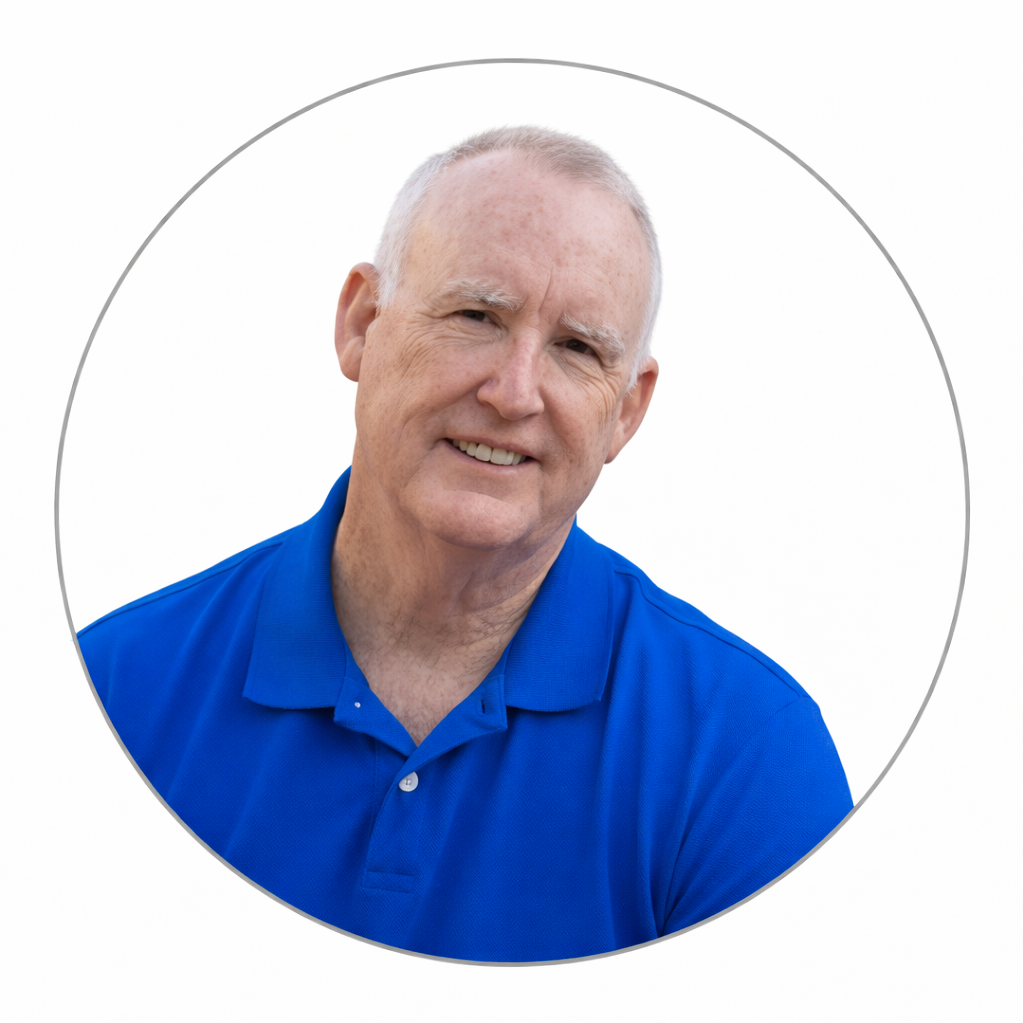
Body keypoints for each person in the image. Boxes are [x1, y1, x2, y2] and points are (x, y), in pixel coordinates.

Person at [77, 126, 852, 962]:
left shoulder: (746, 755)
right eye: (477, 317)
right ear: (361, 324)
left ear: (626, 410)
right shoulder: (111, 688)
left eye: (576, 348)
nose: (514, 394)